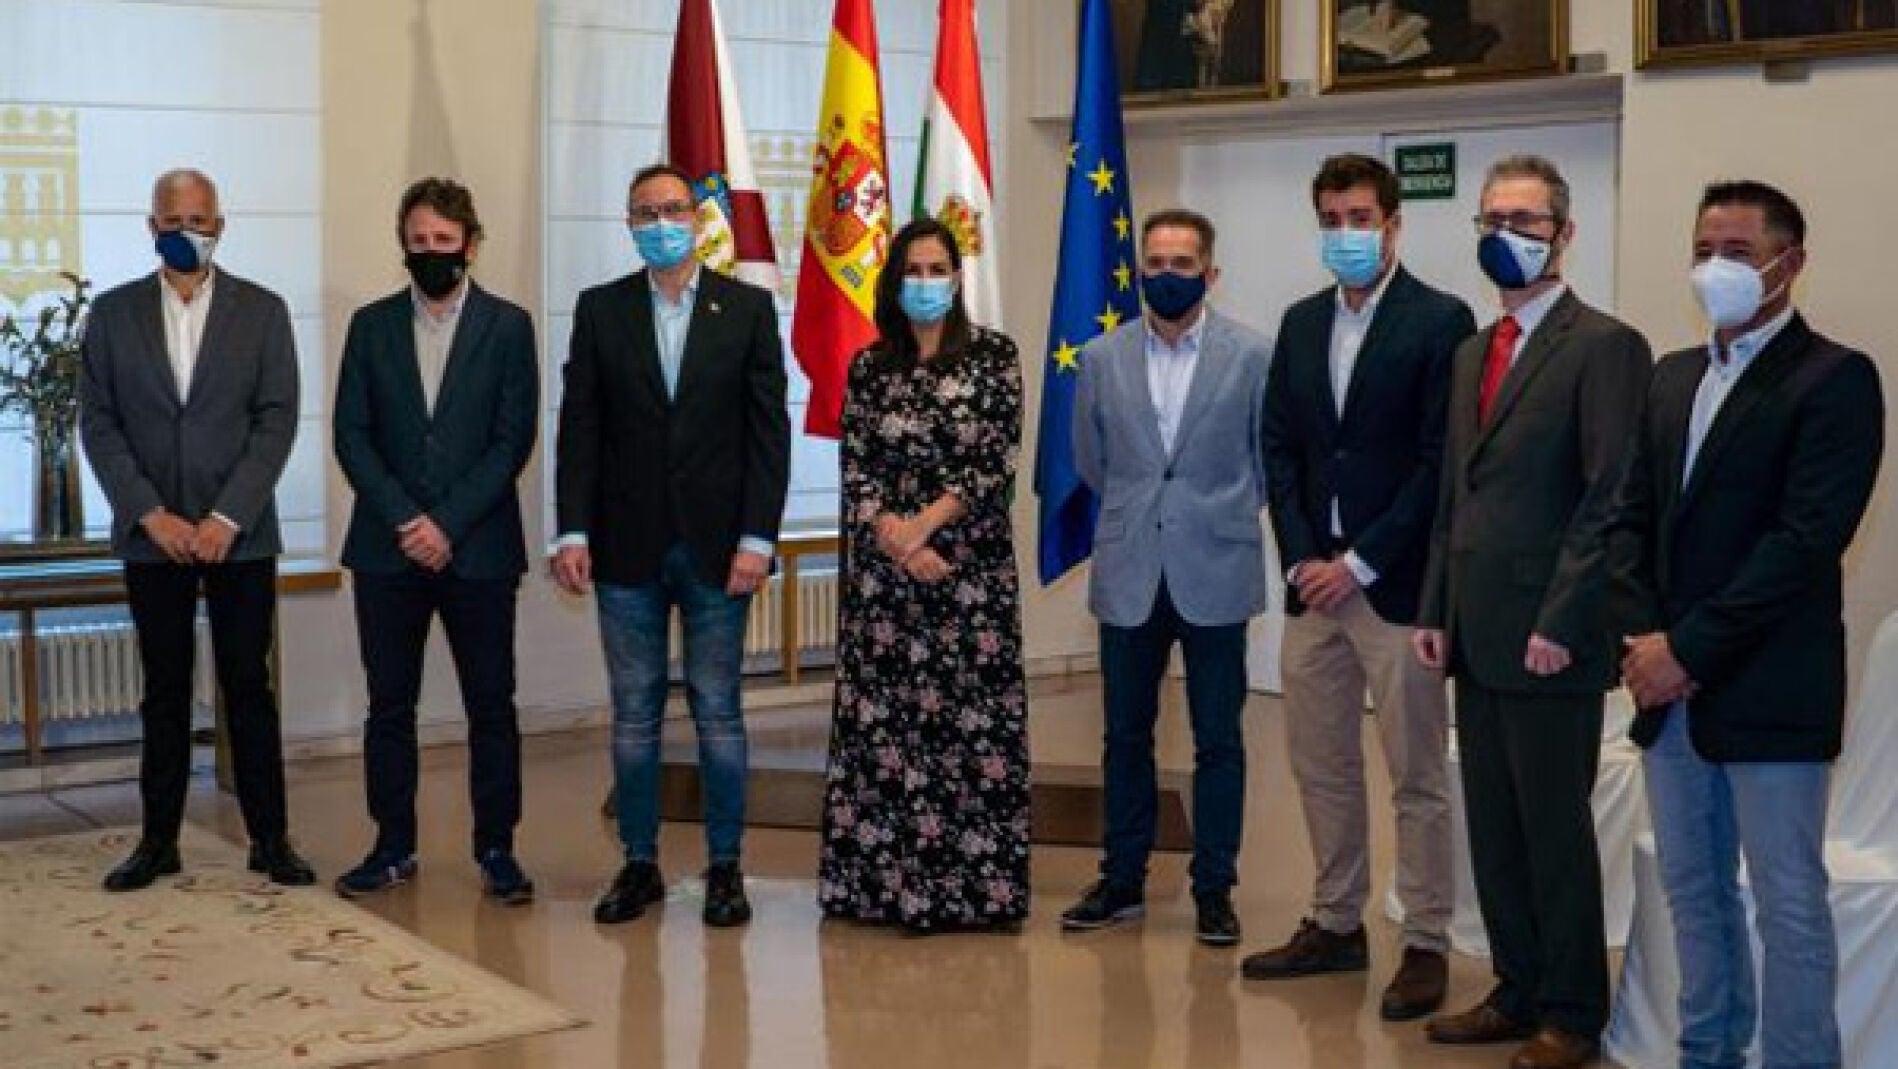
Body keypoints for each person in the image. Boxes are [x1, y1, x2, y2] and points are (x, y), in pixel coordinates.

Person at [1609, 181, 1884, 1069]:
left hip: (1770, 686)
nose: (1714, 268)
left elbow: (1805, 541)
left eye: (1736, 252)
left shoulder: (1836, 378)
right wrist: (1646, 641)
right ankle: (1708, 1051)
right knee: (1693, 891)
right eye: (1703, 250)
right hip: (1668, 692)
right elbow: (1630, 519)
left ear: (1788, 263)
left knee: (1788, 902)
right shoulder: (1671, 376)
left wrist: (1686, 649)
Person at [1412, 155, 1651, 1069]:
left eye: (1525, 221)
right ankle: (1515, 988)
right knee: (1496, 827)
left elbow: (1609, 497)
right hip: (1475, 631)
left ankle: (1573, 1011)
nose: (1505, 236)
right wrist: (1435, 607)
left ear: (1564, 234)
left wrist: (1563, 617)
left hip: (1553, 636)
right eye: (1492, 220)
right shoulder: (1474, 350)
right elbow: (1456, 493)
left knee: (1553, 831)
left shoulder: (1604, 346)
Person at [1244, 153, 1473, 1021]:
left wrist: (1362, 562)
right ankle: (1336, 920)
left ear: (1393, 224)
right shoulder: (1301, 323)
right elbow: (1280, 448)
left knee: (1417, 774)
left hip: (1394, 587)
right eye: (1332, 219)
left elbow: (1439, 461)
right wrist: (1304, 555)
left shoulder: (1439, 320)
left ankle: (1426, 940)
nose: (1346, 233)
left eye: (1361, 218)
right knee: (1322, 766)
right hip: (1314, 588)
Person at [554, 162, 790, 928]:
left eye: (673, 209)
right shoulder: (600, 309)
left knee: (718, 710)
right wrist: (572, 527)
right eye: (646, 212)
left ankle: (725, 866)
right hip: (624, 548)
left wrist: (758, 536)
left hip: (722, 551)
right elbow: (580, 427)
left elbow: (768, 434)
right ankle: (639, 862)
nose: (661, 223)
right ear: (629, 225)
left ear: (697, 217)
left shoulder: (747, 308)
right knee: (634, 714)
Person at [80, 168, 313, 890]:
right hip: (153, 537)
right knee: (165, 690)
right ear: (152, 227)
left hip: (240, 536)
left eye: (200, 220)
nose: (188, 232)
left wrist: (225, 517)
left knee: (249, 685)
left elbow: (277, 418)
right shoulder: (112, 314)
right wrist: (150, 513)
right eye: (174, 220)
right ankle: (158, 841)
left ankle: (270, 839)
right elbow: (99, 423)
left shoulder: (263, 311)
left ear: (221, 226)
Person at [1060, 208, 1272, 947]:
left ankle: (1214, 888)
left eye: (1183, 264)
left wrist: (1209, 512)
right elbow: (1093, 460)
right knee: (1125, 735)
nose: (1167, 275)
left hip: (1216, 565)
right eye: (1155, 262)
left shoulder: (1254, 356)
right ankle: (1121, 880)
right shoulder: (1100, 357)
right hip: (1130, 570)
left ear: (1210, 273)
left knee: (1219, 739)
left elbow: (1265, 461)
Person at [817, 218, 1030, 934]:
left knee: (968, 733)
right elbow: (857, 467)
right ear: (895, 280)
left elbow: (995, 460)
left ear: (958, 279)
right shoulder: (870, 365)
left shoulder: (996, 357)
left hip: (971, 577)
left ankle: (972, 894)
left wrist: (926, 527)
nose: (927, 282)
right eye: (914, 269)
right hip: (886, 584)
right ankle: (879, 890)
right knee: (887, 730)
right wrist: (900, 542)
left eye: (939, 269)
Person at [331, 178, 540, 903]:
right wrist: (407, 520)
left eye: (444, 241)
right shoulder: (371, 326)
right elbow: (351, 436)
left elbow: (512, 441)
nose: (431, 252)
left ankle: (497, 849)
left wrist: (446, 523)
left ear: (471, 245)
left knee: (492, 705)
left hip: (479, 550)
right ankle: (392, 846)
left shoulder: (509, 327)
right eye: (417, 241)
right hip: (386, 549)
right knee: (389, 707)